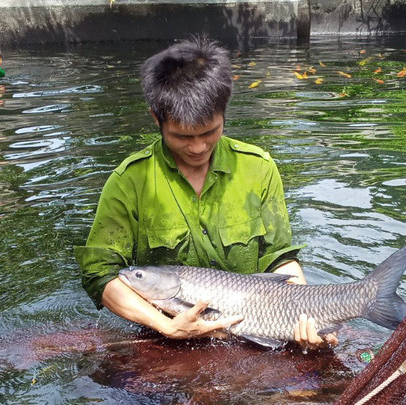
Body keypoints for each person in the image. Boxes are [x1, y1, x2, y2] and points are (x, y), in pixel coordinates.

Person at [75, 38, 338, 350]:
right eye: (182, 136)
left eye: (209, 132)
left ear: (224, 114)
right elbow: (100, 274)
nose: (198, 147)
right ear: (156, 119)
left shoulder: (258, 169)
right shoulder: (130, 181)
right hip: (163, 336)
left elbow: (279, 257)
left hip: (254, 331)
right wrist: (167, 326)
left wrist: (305, 316)